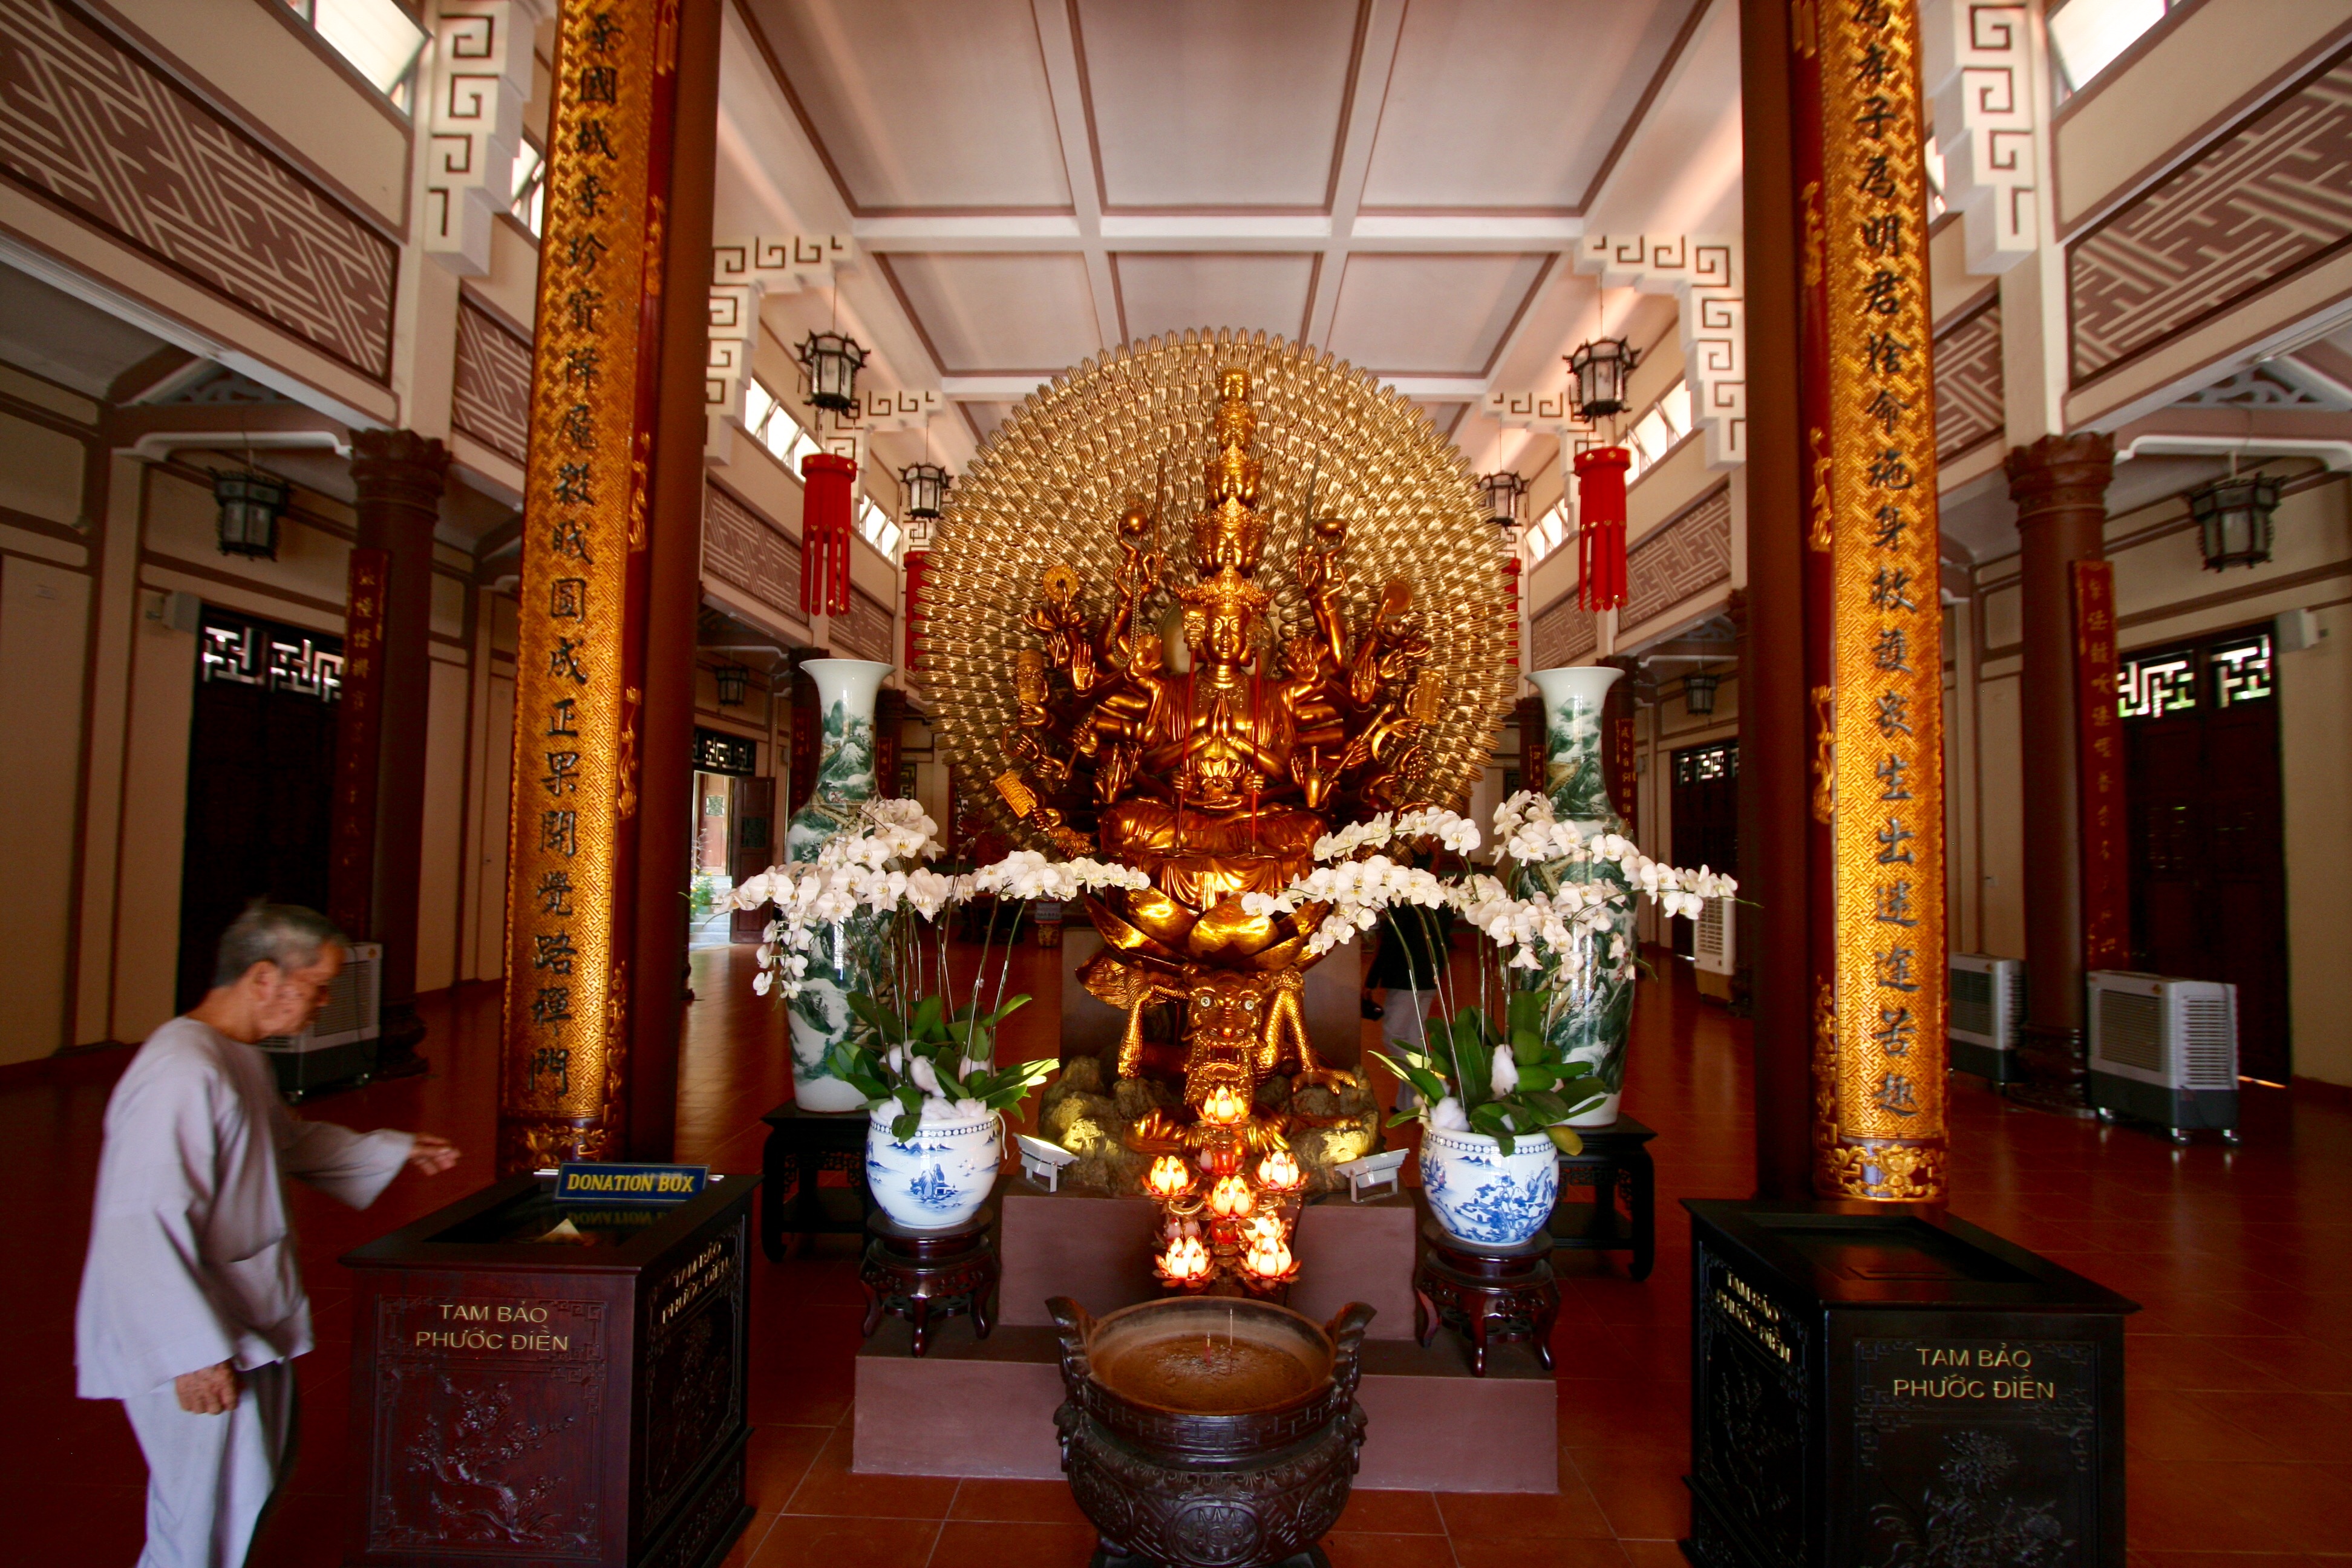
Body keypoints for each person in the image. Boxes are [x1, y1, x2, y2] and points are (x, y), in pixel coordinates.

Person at [75, 904, 461, 1568]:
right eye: (318, 988)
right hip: (194, 1333)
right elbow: (140, 1219)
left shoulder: (237, 1058)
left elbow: (284, 1143)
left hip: (242, 1312)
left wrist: (390, 1149)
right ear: (263, 978)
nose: (324, 1005)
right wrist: (190, 1352)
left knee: (243, 1492)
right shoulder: (181, 1071)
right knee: (200, 1520)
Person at [1367, 903, 1454, 1109]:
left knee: (1395, 1036)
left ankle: (1432, 1083)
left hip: (1405, 979)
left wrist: (1371, 980)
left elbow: (1391, 943)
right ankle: (1410, 1105)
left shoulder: (1404, 904)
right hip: (1430, 977)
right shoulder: (1442, 903)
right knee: (1414, 1039)